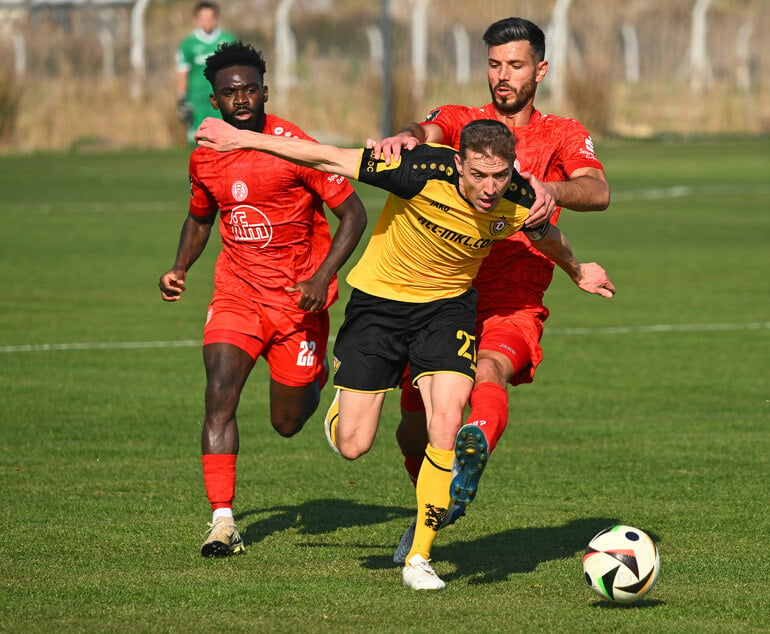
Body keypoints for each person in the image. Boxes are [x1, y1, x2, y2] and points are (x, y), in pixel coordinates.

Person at [195, 114, 615, 590]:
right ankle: (343, 411)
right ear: (459, 164)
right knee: (353, 444)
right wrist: (241, 138)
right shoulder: (416, 170)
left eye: (500, 175)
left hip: (448, 311)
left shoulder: (517, 197)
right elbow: (324, 154)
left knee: (446, 421)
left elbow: (548, 237)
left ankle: (420, 558)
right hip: (380, 308)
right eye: (479, 175)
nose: (489, 187)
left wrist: (579, 272)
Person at [370, 17, 611, 563]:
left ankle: (472, 444)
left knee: (489, 369)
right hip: (443, 296)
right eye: (495, 65)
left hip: (515, 298)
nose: (503, 77)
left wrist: (549, 188)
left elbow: (598, 190)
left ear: (540, 70)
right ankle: (437, 503)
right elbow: (425, 130)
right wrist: (407, 137)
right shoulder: (463, 121)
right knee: (413, 431)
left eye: (516, 66)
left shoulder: (563, 134)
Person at [158, 41, 368, 559]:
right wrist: (179, 267)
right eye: (230, 93)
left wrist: (322, 276)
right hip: (237, 293)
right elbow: (201, 216)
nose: (242, 99)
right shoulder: (206, 154)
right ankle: (222, 520)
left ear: (265, 91)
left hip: (298, 302)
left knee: (287, 422)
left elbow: (355, 215)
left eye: (251, 89)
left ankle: (318, 376)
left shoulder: (296, 146)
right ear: (215, 100)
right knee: (218, 393)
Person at [175, 2, 236, 143]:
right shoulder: (188, 44)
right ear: (197, 19)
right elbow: (182, 73)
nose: (207, 21)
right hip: (197, 100)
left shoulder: (228, 39)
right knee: (200, 141)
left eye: (210, 17)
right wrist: (181, 99)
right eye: (203, 17)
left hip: (223, 98)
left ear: (216, 18)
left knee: (225, 139)